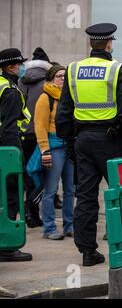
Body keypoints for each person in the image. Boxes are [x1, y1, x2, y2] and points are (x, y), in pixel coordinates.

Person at [56, 23, 122, 266]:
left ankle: (87, 252)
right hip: (112, 141)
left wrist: (70, 143)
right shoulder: (117, 70)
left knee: (85, 198)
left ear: (91, 44)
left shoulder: (73, 70)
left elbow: (63, 112)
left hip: (83, 140)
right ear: (109, 43)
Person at [0, 47, 33, 262]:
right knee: (11, 196)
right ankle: (8, 247)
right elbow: (9, 127)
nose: (22, 67)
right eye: (20, 64)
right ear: (10, 67)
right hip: (7, 150)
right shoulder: (10, 90)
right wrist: (16, 156)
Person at [34, 65, 74, 240]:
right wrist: (44, 149)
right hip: (54, 148)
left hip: (70, 146)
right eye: (59, 76)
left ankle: (69, 226)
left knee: (70, 189)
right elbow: (39, 126)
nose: (63, 79)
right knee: (51, 189)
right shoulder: (45, 97)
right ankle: (49, 228)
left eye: (65, 76)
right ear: (51, 78)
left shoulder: (70, 96)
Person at [18, 47, 53, 228]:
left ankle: (25, 213)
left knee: (26, 173)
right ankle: (33, 212)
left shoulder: (20, 82)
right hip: (40, 135)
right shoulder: (47, 84)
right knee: (39, 175)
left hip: (22, 134)